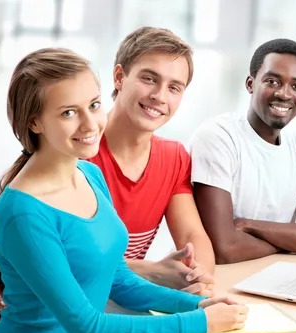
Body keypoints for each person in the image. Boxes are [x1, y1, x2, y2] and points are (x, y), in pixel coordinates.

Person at [0, 48, 247, 333]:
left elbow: (116, 279)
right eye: (68, 112)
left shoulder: (90, 175)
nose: (89, 124)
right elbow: (89, 330)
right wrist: (197, 323)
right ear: (35, 122)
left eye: (94, 105)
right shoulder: (23, 214)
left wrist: (196, 305)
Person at [87, 27, 216, 294]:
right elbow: (69, 263)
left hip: (117, 302)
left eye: (174, 88)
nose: (159, 96)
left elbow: (193, 236)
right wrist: (152, 271)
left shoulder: (174, 157)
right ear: (119, 77)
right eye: (149, 79)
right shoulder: (79, 151)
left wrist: (198, 277)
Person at [189, 39, 296, 264]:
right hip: (213, 278)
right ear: (250, 84)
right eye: (272, 81)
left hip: (273, 275)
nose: (285, 94)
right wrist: (290, 243)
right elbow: (223, 248)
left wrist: (248, 226)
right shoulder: (217, 136)